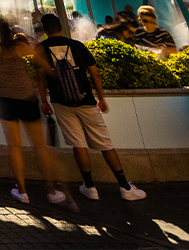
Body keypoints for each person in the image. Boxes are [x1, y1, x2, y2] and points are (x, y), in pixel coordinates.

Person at [35, 14, 146, 201]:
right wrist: (101, 98)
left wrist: (44, 102)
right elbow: (95, 75)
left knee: (78, 144)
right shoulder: (78, 46)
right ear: (62, 27)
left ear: (44, 30)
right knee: (105, 143)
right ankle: (125, 187)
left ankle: (89, 186)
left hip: (61, 102)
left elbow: (40, 79)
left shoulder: (41, 49)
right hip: (86, 100)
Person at [0, 17, 67, 205]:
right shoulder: (20, 47)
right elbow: (46, 66)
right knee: (40, 146)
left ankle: (22, 191)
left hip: (4, 100)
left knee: (14, 146)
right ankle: (51, 191)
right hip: (25, 98)